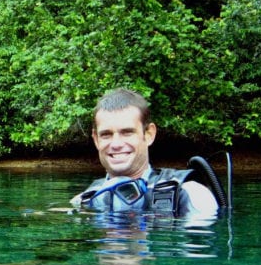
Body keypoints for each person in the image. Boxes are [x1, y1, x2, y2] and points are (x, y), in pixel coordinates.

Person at [70, 88, 221, 217]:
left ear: (149, 134)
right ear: (96, 139)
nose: (116, 144)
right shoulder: (82, 201)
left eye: (127, 132)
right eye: (106, 134)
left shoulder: (191, 195)